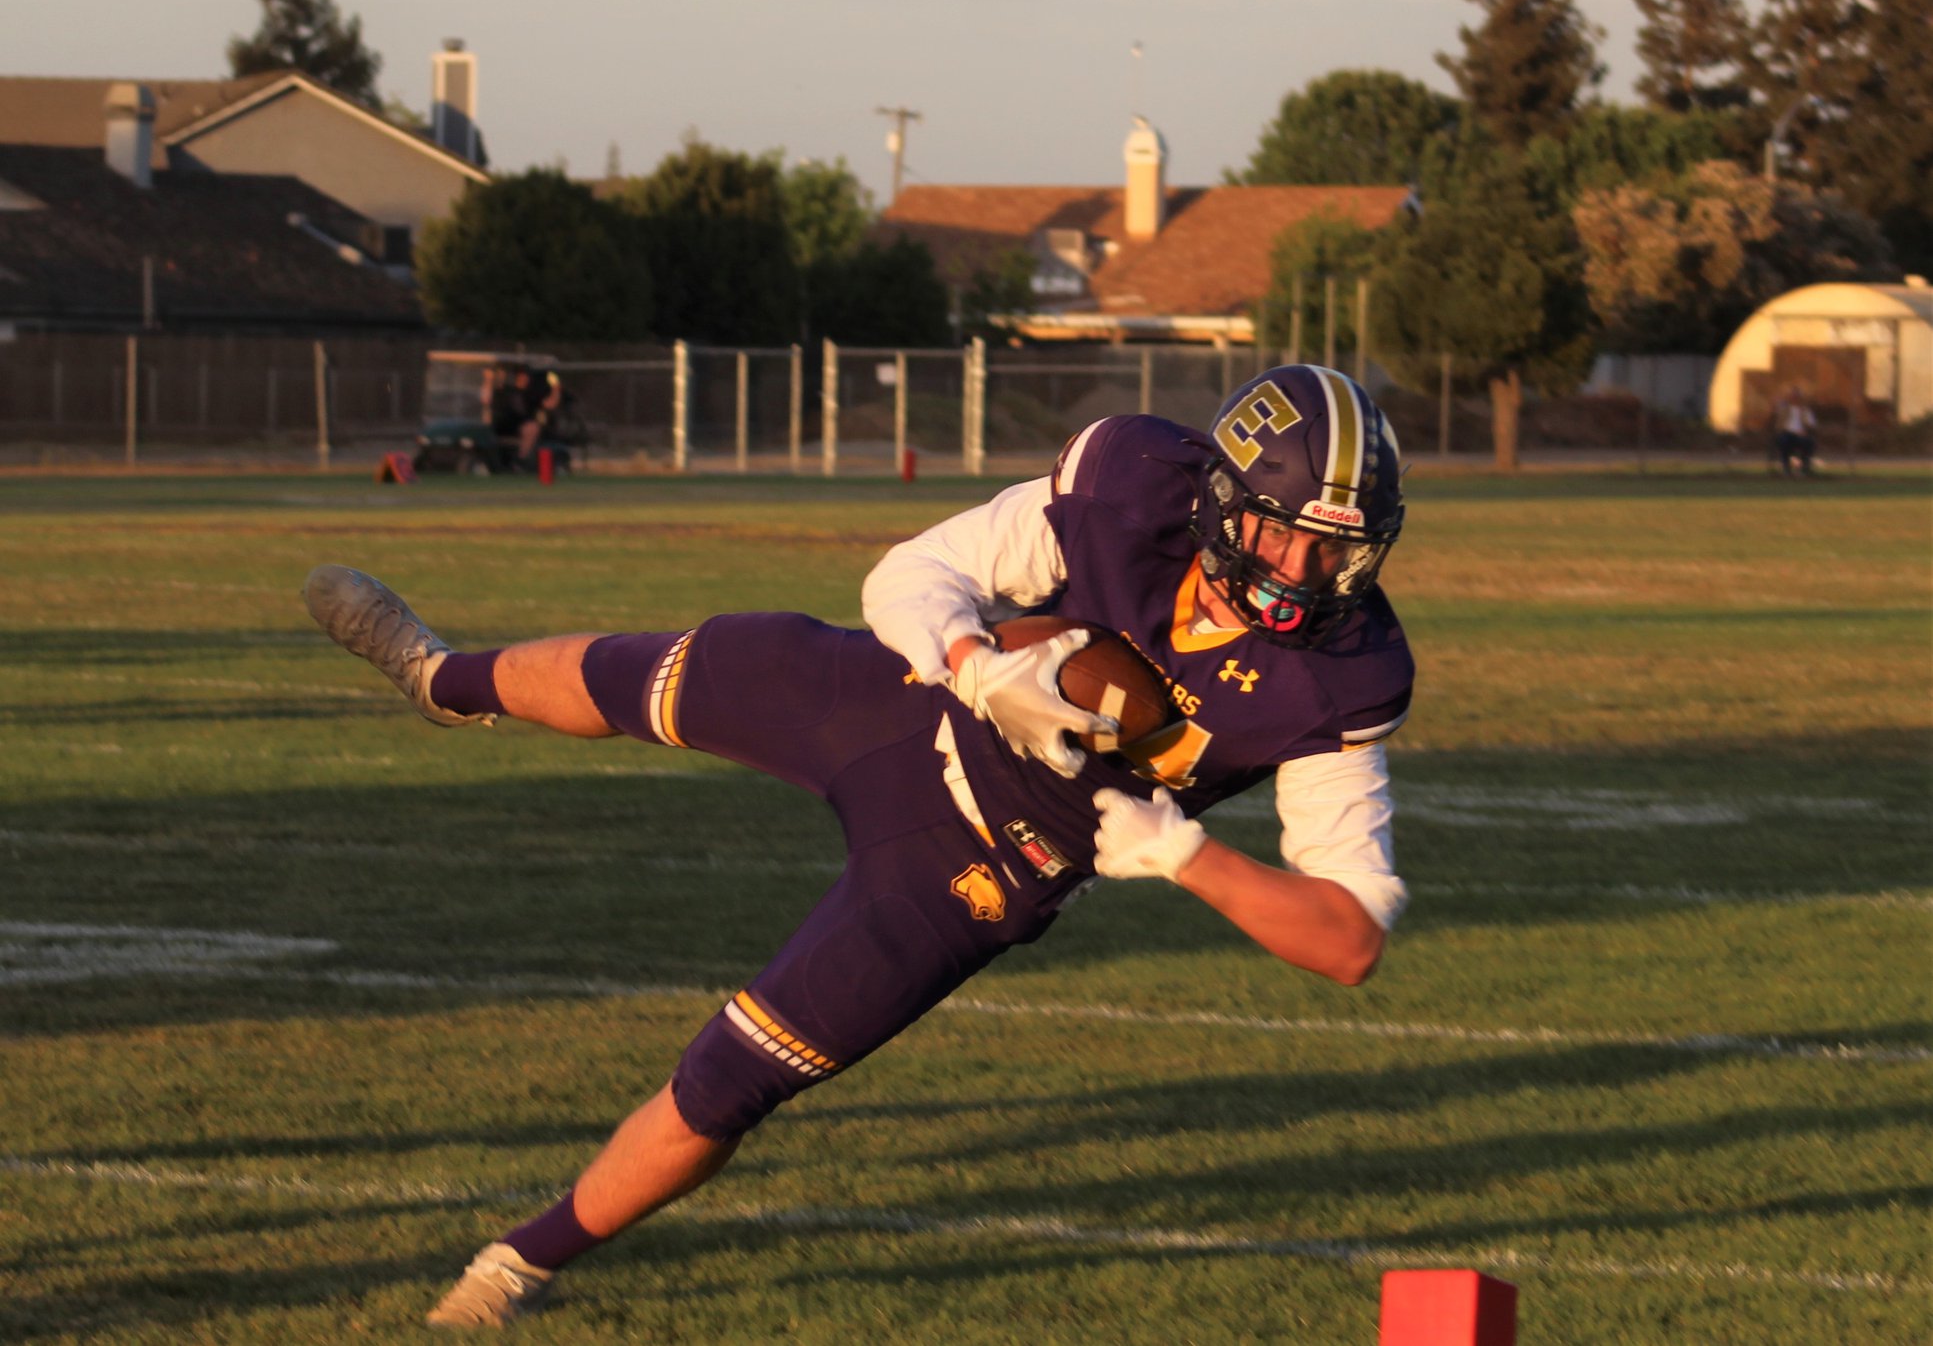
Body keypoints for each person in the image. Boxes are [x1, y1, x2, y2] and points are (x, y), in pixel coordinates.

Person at [302, 364, 1414, 1329]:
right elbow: (907, 578)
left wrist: (1181, 853)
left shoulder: (1340, 676)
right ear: (1219, 498)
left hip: (986, 863)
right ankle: (444, 679)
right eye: (1292, 539)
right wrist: (981, 665)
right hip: (904, 701)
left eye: (1341, 555)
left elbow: (1349, 938)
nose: (1312, 577)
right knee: (678, 663)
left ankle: (518, 1259)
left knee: (730, 1081)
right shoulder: (1127, 482)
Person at [1771, 384, 1818, 478]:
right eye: (1793, 396)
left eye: (1797, 397)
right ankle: (1786, 469)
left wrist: (1806, 429)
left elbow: (1812, 424)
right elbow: (1778, 423)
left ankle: (1803, 469)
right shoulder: (1784, 409)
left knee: (1807, 442)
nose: (1795, 399)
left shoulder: (1805, 410)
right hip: (1787, 434)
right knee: (1783, 441)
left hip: (1801, 435)